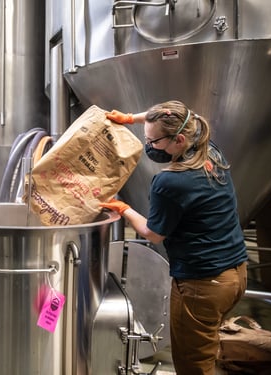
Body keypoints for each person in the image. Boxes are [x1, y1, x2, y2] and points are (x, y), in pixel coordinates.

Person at [101, 100, 248, 375]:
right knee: (205, 350)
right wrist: (131, 118)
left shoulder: (170, 182)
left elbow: (153, 234)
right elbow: (178, 114)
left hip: (202, 286)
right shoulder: (210, 149)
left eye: (153, 141)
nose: (149, 147)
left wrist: (124, 208)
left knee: (193, 366)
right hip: (236, 274)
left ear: (179, 139)